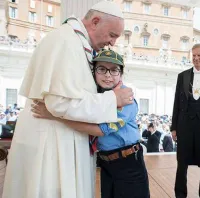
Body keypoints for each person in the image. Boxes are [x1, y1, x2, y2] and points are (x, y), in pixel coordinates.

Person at [2, 2, 134, 198]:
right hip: (51, 144)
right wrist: (112, 100)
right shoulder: (65, 42)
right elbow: (59, 103)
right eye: (112, 35)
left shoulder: (76, 42)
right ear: (95, 22)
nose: (113, 43)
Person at [32, 49, 150, 198]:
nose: (108, 75)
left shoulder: (125, 97)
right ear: (94, 72)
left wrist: (55, 115)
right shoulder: (95, 96)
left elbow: (101, 130)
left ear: (121, 74)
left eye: (114, 70)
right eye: (102, 69)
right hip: (106, 164)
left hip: (129, 164)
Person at [171, 43, 200, 198]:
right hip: (184, 124)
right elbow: (176, 102)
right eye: (194, 55)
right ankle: (180, 195)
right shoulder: (182, 76)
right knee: (181, 163)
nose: (197, 58)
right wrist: (173, 127)